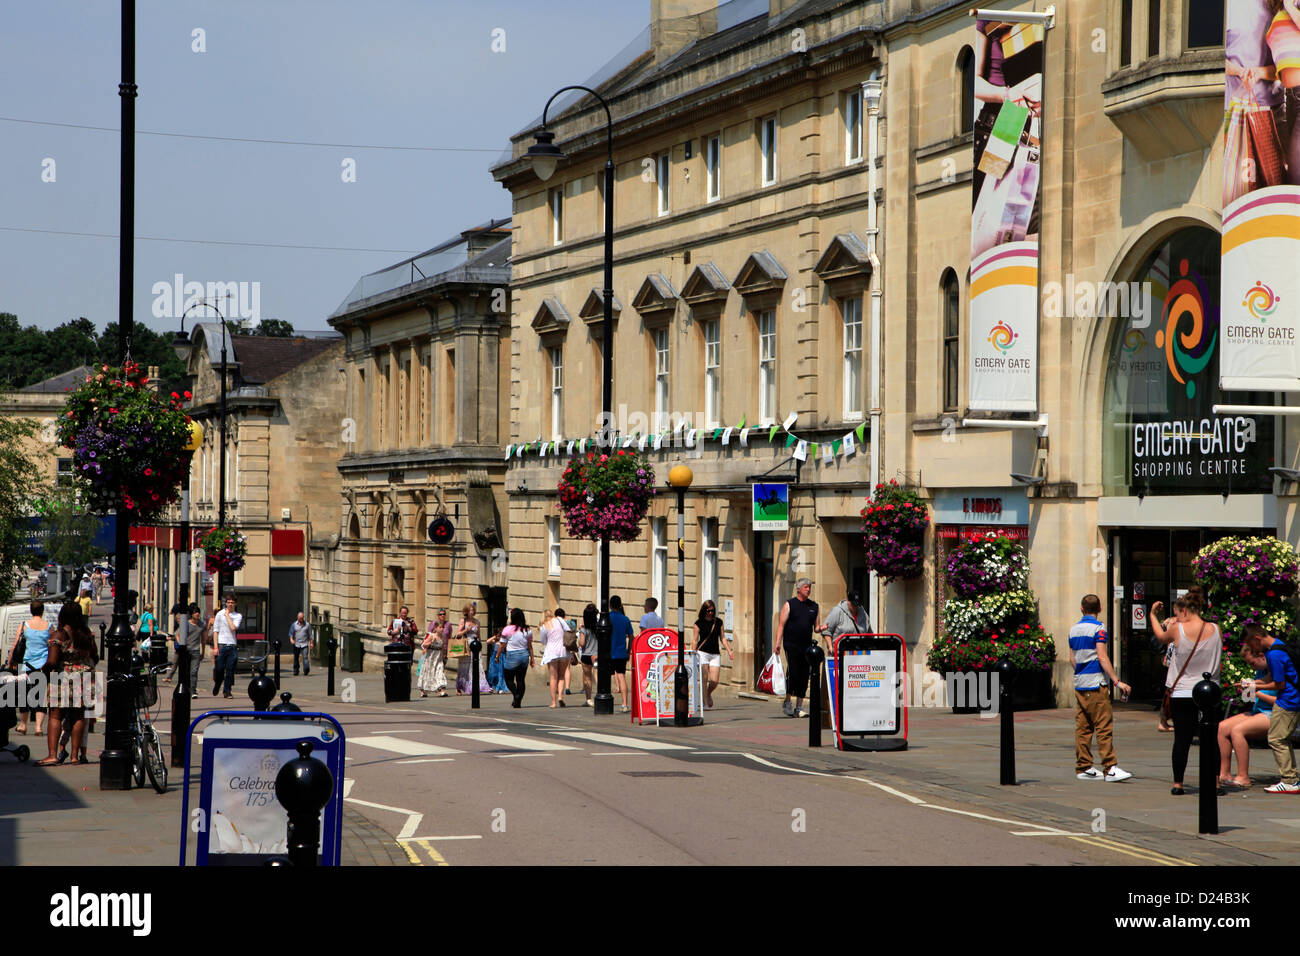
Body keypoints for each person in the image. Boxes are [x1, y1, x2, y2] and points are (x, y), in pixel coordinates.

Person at [1150, 586, 1221, 795]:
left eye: (1178, 613)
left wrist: (1153, 615)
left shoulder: (1177, 630)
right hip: (1210, 692)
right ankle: (1215, 783)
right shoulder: (1216, 629)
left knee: (1182, 739)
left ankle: (1178, 783)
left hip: (1182, 692)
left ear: (1185, 610)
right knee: (1211, 739)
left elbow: (1160, 637)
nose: (1177, 617)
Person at [1069, 593, 1133, 782]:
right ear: (1100, 609)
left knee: (1083, 727)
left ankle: (1084, 766)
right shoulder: (1099, 628)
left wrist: (1081, 671)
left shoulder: (1073, 630)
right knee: (1103, 725)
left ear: (1082, 608)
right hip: (1096, 683)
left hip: (1080, 683)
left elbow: (1072, 658)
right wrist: (1116, 681)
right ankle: (1110, 767)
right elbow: (1102, 656)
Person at [37, 603, 98, 766]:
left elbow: (52, 660)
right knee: (79, 716)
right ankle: (74, 756)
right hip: (83, 677)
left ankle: (52, 755)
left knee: (56, 715)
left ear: (62, 616)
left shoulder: (59, 635)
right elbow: (95, 656)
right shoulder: (87, 634)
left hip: (62, 678)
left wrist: (43, 669)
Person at [1242, 622, 1300, 793]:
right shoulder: (1280, 646)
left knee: (1276, 739)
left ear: (1257, 638)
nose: (1251, 648)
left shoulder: (1273, 654)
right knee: (1281, 738)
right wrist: (1254, 683)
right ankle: (1291, 779)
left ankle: (1289, 780)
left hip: (1288, 700)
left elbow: (1279, 684)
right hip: (1292, 698)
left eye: (1250, 644)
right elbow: (1270, 677)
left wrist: (1256, 688)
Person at [1218, 644, 1277, 788]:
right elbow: (1249, 699)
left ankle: (1243, 776)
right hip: (1259, 711)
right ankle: (1224, 773)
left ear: (1262, 656)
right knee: (1222, 727)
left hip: (1274, 713)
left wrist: (1256, 692)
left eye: (1252, 662)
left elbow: (1279, 702)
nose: (1252, 666)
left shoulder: (1278, 672)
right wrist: (1246, 690)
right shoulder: (1261, 673)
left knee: (1238, 730)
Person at [773, 578, 825, 718]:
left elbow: (816, 628)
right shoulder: (790, 605)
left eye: (809, 587)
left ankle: (799, 707)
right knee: (794, 673)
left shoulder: (814, 606)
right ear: (799, 589)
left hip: (806, 646)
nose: (808, 590)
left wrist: (824, 628)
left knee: (804, 675)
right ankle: (788, 701)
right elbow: (781, 625)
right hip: (791, 645)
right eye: (806, 587)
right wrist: (777, 643)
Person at [7, 600, 51, 737]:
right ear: (42, 610)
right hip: (43, 665)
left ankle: (23, 725)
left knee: (23, 695)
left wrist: (10, 661)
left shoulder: (24, 625)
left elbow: (15, 645)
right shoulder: (49, 626)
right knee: (40, 697)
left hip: (26, 665)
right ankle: (38, 727)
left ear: (31, 611)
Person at [692, 600, 732, 710]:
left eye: (712, 610)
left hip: (715, 654)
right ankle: (705, 703)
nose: (710, 612)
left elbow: (723, 638)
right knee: (704, 679)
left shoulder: (718, 622)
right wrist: (692, 654)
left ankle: (708, 693)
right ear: (704, 610)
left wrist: (729, 651)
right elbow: (695, 640)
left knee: (714, 681)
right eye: (708, 610)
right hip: (702, 653)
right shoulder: (698, 623)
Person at [497, 608, 534, 708]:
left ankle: (515, 694)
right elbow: (530, 646)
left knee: (508, 679)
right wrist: (532, 659)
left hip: (512, 656)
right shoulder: (527, 629)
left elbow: (502, 645)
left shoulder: (508, 629)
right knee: (521, 680)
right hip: (524, 656)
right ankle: (518, 701)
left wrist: (497, 656)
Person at [454, 602, 491, 695]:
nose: (472, 612)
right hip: (466, 644)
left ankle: (479, 685)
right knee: (465, 667)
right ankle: (461, 686)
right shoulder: (463, 621)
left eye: (473, 610)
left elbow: (478, 635)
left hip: (475, 644)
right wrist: (466, 630)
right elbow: (458, 634)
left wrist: (480, 645)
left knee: (477, 665)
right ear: (466, 611)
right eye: (470, 610)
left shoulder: (477, 621)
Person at [211, 595, 243, 699]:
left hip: (232, 645)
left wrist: (228, 616)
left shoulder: (238, 616)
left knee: (230, 670)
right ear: (226, 603)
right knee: (219, 669)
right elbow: (215, 631)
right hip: (221, 644)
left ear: (235, 604)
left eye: (232, 602)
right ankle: (218, 683)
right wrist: (215, 647)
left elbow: (233, 628)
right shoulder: (220, 614)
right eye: (228, 602)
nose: (230, 604)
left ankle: (227, 691)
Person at [541, 607, 571, 708]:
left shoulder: (544, 626)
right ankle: (560, 697)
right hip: (563, 651)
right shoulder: (561, 621)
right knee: (561, 676)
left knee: (553, 677)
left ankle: (553, 702)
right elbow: (569, 631)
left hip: (551, 653)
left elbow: (543, 641)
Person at [608, 595, 634, 713]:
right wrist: (629, 651)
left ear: (610, 605)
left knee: (605, 677)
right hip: (621, 653)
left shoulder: (606, 618)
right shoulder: (625, 619)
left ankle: (607, 700)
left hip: (608, 653)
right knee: (622, 676)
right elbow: (631, 636)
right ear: (620, 605)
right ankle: (624, 704)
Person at [419, 609, 451, 698]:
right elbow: (423, 644)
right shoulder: (431, 636)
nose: (442, 629)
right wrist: (429, 644)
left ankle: (441, 690)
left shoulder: (442, 637)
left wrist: (444, 655)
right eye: (440, 628)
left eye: (443, 628)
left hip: (438, 657)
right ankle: (423, 690)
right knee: (428, 672)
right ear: (436, 628)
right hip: (430, 657)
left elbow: (442, 647)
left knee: (440, 672)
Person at [578, 603, 599, 706]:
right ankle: (600, 695)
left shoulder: (583, 629)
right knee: (597, 675)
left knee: (587, 678)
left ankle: (589, 699)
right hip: (596, 654)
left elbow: (581, 643)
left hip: (586, 655)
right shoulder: (599, 627)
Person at [185, 605, 204, 699]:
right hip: (186, 651)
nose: (198, 614)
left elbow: (203, 639)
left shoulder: (201, 624)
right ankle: (187, 688)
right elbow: (178, 635)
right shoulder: (186, 624)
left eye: (198, 612)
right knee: (186, 671)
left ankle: (193, 691)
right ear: (191, 614)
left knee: (194, 671)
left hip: (196, 651)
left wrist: (203, 651)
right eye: (196, 612)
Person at [289, 612, 313, 677]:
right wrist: (291, 639)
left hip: (304, 644)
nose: (301, 619)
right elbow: (291, 633)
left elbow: (310, 635)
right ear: (298, 618)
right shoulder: (294, 625)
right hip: (296, 643)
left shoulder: (307, 625)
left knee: (305, 657)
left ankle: (306, 670)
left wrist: (311, 643)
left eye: (302, 618)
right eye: (299, 618)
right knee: (296, 658)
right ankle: (296, 671)